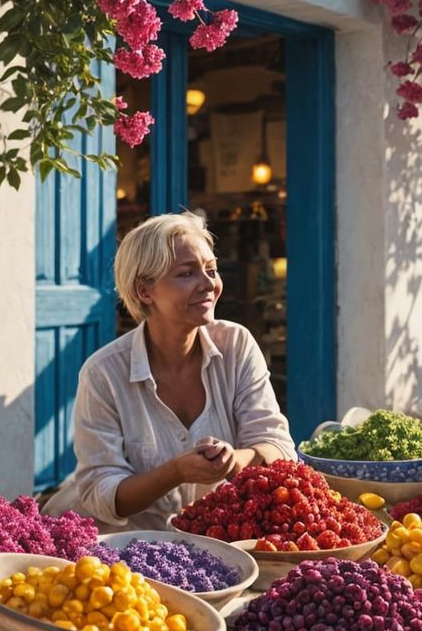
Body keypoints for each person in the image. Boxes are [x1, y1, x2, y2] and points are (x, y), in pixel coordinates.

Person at [42, 212, 295, 532]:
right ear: (144, 291)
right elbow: (100, 493)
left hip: (215, 545)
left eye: (211, 270)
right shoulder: (103, 374)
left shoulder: (236, 346)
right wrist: (175, 472)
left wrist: (234, 461)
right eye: (187, 273)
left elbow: (278, 448)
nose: (208, 284)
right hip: (121, 556)